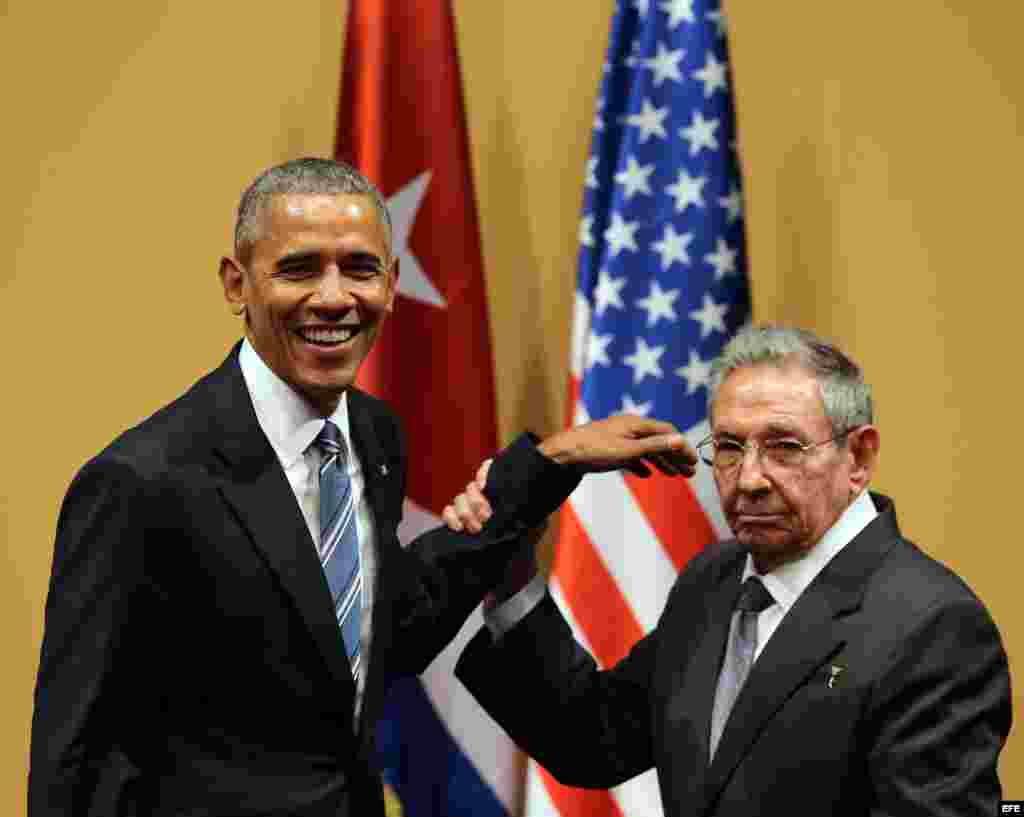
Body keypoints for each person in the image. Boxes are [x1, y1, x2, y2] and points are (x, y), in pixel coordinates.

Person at [28, 157, 698, 817]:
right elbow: (73, 757)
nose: (333, 297)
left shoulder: (374, 436)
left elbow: (383, 632)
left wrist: (548, 465)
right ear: (236, 284)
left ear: (392, 281)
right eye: (299, 269)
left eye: (359, 268)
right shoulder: (139, 483)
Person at [448, 325, 1012, 815]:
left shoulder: (932, 625)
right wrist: (511, 573)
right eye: (729, 447)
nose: (749, 479)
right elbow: (593, 740)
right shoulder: (713, 582)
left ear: (858, 458)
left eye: (784, 447)